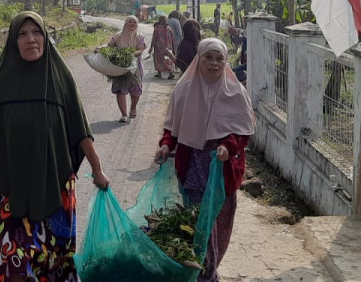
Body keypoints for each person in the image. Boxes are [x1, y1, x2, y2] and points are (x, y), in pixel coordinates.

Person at [0, 12, 110, 282]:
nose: (31, 39)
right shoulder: (1, 83)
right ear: (13, 41)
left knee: (54, 263)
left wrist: (98, 170)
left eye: (37, 32)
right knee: (14, 261)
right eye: (23, 34)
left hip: (56, 185)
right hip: (9, 187)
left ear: (45, 37)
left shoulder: (61, 79)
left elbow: (81, 131)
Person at [155, 38, 255, 282]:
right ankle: (205, 275)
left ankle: (209, 268)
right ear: (198, 60)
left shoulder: (236, 93)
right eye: (208, 57)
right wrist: (167, 145)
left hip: (222, 172)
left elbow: (243, 133)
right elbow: (173, 127)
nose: (214, 63)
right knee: (198, 225)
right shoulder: (184, 90)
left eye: (219, 58)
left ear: (225, 61)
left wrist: (226, 147)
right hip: (193, 168)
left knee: (219, 226)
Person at [106, 15, 147, 123]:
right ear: (126, 23)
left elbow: (141, 50)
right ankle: (124, 114)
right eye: (130, 22)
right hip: (120, 66)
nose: (132, 24)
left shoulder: (140, 36)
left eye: (134, 22)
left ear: (137, 24)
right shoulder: (118, 35)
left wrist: (131, 54)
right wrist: (102, 49)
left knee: (136, 91)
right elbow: (109, 45)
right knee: (120, 90)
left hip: (135, 67)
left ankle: (133, 107)